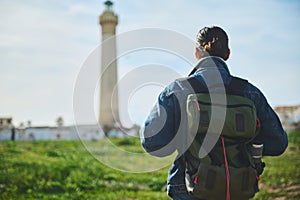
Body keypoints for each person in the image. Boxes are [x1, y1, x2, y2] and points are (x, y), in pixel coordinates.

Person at [140, 26, 288, 200]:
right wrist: (245, 146)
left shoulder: (178, 90)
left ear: (197, 53)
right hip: (238, 187)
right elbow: (278, 143)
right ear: (227, 54)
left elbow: (152, 142)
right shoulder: (249, 92)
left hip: (189, 188)